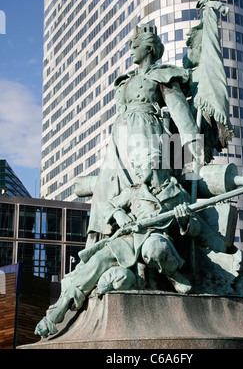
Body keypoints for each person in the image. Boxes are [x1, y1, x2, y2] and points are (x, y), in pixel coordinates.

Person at [34, 154, 201, 339]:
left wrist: (185, 219)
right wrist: (118, 214)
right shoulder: (135, 191)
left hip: (156, 237)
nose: (136, 170)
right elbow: (108, 206)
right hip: (129, 238)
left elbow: (196, 228)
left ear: (154, 165)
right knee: (97, 260)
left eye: (139, 165)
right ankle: (59, 311)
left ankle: (173, 274)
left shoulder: (179, 193)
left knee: (154, 248)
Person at [86, 23, 202, 245]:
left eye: (135, 46)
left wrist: (193, 142)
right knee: (106, 185)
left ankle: (151, 232)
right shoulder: (125, 80)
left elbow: (178, 110)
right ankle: (104, 237)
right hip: (120, 138)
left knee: (148, 179)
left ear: (148, 49)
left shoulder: (161, 74)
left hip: (147, 132)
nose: (131, 51)